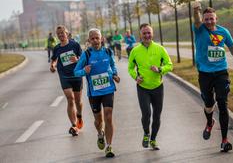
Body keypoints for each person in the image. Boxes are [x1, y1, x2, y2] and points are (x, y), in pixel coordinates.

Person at [193, 3, 233, 152]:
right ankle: (210, 123)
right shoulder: (199, 29)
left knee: (222, 103)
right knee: (209, 104)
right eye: (206, 19)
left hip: (221, 72)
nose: (209, 21)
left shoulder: (223, 31)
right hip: (205, 74)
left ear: (216, 18)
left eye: (211, 19)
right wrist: (195, 10)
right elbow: (196, 21)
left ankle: (224, 140)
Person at [74, 28, 120, 158]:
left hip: (108, 89)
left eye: (97, 38)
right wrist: (84, 70)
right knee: (98, 121)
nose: (95, 40)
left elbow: (113, 65)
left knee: (109, 116)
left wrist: (115, 75)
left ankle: (109, 146)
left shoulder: (108, 51)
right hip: (94, 93)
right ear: (89, 40)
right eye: (92, 38)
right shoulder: (86, 55)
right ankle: (100, 133)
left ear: (101, 39)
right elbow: (76, 71)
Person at [128, 23, 173, 150]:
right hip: (143, 87)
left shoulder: (160, 49)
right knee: (146, 113)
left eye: (149, 33)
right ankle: (146, 133)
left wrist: (160, 69)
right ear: (140, 35)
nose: (147, 35)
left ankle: (153, 139)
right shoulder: (135, 51)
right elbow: (130, 68)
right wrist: (135, 77)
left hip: (158, 87)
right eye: (144, 33)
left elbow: (170, 65)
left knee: (157, 115)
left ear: (152, 34)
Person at [50, 25, 84, 136]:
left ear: (67, 33)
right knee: (70, 99)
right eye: (58, 33)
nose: (60, 35)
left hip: (76, 75)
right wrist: (53, 66)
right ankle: (74, 125)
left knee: (78, 101)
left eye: (62, 33)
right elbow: (54, 60)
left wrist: (77, 59)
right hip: (64, 76)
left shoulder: (75, 45)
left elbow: (83, 59)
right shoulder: (57, 48)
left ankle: (79, 115)